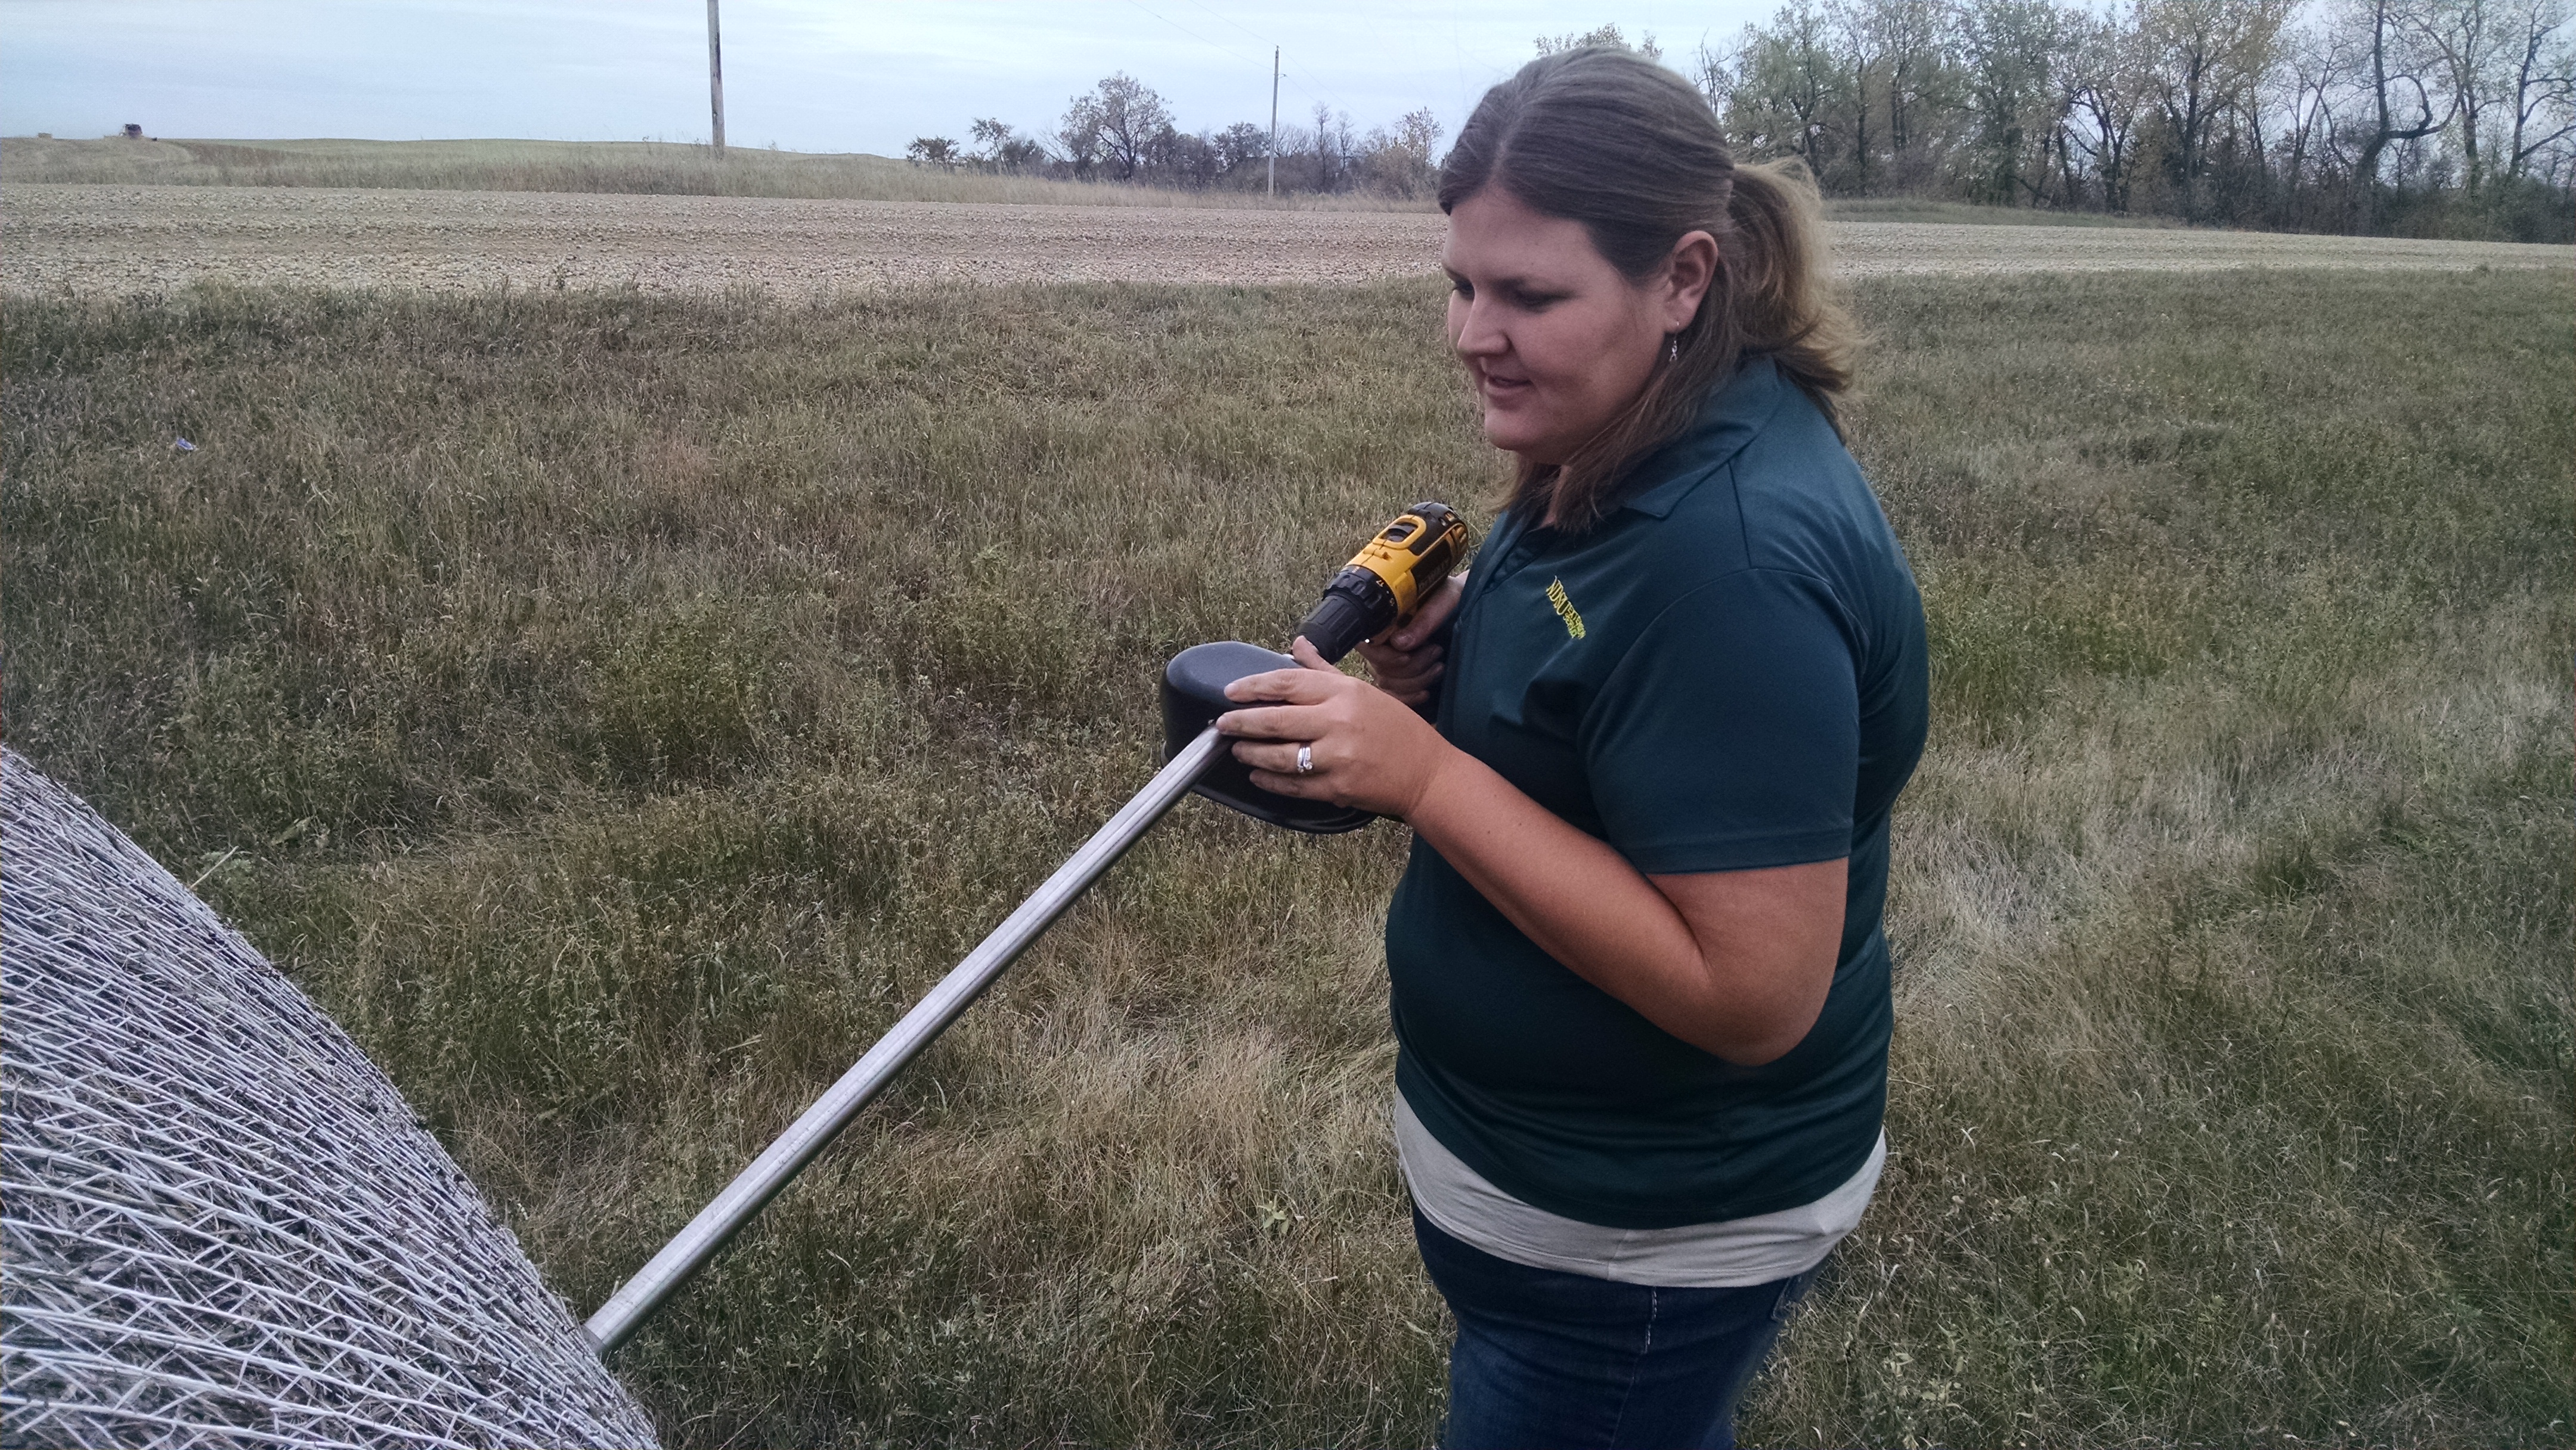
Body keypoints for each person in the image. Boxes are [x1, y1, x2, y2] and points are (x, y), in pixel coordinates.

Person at [1215, 45, 1930, 1450]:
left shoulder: (1735, 564)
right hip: (1568, 1191)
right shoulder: (1630, 430)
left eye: (1529, 295)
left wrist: (1425, 777)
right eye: (1462, 284)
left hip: (1645, 1234)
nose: (1471, 332)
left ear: (1682, 278)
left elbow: (1754, 990)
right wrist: (1451, 686)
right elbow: (1614, 717)